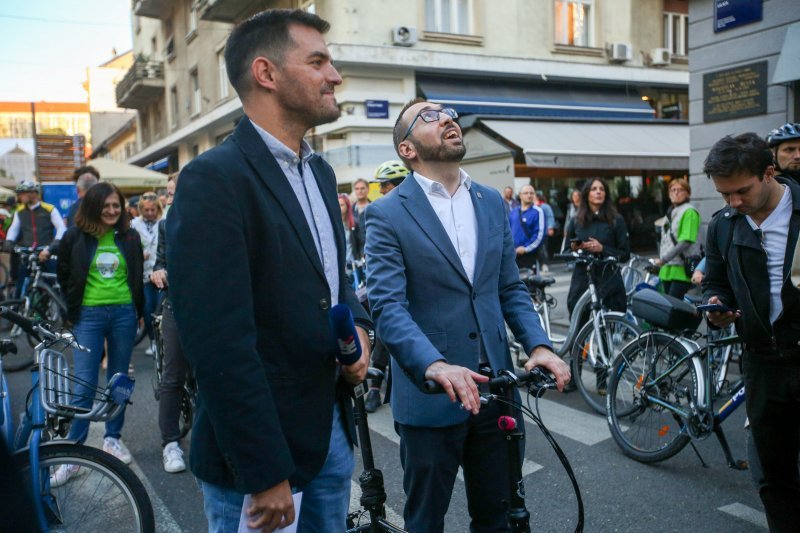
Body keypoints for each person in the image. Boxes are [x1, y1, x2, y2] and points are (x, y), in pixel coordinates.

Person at [166, 9, 371, 532]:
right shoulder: (213, 179)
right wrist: (263, 470)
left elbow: (334, 281)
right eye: (319, 61)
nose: (335, 75)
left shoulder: (320, 172)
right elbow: (217, 341)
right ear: (267, 73)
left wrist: (361, 335)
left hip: (328, 435)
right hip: (260, 459)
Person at [365, 98, 570, 531]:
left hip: (497, 389)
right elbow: (387, 306)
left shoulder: (491, 201)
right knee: (426, 521)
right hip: (431, 398)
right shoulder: (386, 213)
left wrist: (538, 345)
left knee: (499, 518)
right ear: (407, 149)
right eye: (429, 116)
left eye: (449, 114)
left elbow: (508, 287)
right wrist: (434, 364)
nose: (447, 119)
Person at [702, 132, 800, 533]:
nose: (733, 203)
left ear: (769, 172)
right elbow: (715, 283)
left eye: (741, 191)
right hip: (762, 362)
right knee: (773, 476)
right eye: (725, 195)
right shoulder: (724, 226)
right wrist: (714, 309)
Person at [51, 182, 144, 485]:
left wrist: (138, 311)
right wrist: (72, 309)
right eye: (106, 206)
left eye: (116, 206)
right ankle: (74, 453)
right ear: (93, 207)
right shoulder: (73, 237)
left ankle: (112, 438)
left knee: (119, 380)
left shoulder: (130, 237)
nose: (112, 211)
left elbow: (137, 276)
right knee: (84, 384)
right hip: (88, 316)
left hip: (123, 314)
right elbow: (63, 273)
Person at [150, 174, 188, 473]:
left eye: (175, 191)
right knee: (173, 375)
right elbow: (160, 261)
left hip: (211, 310)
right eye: (169, 192)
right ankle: (170, 443)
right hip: (176, 305)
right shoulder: (165, 225)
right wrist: (159, 272)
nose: (171, 197)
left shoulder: (213, 218)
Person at [564, 178, 630, 319]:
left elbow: (625, 255)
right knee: (578, 325)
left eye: (602, 189)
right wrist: (575, 249)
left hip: (609, 278)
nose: (598, 192)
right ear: (587, 194)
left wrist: (602, 249)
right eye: (594, 189)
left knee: (609, 328)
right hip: (583, 278)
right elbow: (565, 254)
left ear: (606, 194)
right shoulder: (576, 221)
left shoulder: (616, 220)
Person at [6, 180, 67, 297]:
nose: (20, 196)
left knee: (53, 286)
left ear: (34, 193)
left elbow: (61, 228)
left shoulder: (49, 209)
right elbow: (14, 228)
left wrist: (54, 245)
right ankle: (19, 309)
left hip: (46, 252)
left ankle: (56, 309)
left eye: (23, 193)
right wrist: (9, 241)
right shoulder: (19, 211)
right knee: (21, 283)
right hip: (28, 253)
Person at [653, 178, 701, 299]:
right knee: (669, 308)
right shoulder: (670, 212)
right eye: (673, 190)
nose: (676, 192)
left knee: (674, 308)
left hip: (682, 268)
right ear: (669, 194)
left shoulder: (689, 212)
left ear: (688, 193)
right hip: (668, 268)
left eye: (681, 190)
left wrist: (663, 259)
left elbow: (686, 241)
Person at [131, 193, 163, 355]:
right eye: (146, 210)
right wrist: (138, 253)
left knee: (159, 310)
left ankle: (161, 342)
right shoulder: (134, 225)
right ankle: (153, 341)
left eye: (153, 209)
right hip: (144, 274)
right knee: (147, 309)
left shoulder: (163, 223)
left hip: (160, 273)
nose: (150, 213)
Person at [508, 184, 545, 270]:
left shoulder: (538, 211)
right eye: (526, 193)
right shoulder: (513, 212)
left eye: (531, 193)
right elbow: (508, 232)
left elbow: (539, 234)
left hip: (529, 255)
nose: (529, 195)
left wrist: (526, 248)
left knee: (529, 282)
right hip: (513, 256)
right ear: (520, 195)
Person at [534, 192, 556, 273]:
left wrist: (550, 227)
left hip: (543, 232)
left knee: (543, 248)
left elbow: (550, 217)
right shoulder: (531, 207)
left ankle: (544, 264)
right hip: (534, 233)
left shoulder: (545, 206)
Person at [351, 178, 370, 259]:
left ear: (368, 189)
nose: (360, 191)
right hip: (354, 254)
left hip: (370, 251)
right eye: (357, 189)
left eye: (362, 188)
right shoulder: (349, 210)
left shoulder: (375, 208)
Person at [338, 193, 358, 264]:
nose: (339, 207)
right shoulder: (333, 224)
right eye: (337, 205)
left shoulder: (355, 223)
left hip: (353, 263)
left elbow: (360, 242)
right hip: (340, 264)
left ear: (347, 206)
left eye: (342, 205)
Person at [560, 188, 582, 252]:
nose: (575, 197)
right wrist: (565, 229)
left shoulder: (583, 206)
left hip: (578, 227)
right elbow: (567, 218)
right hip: (570, 227)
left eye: (576, 196)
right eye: (573, 196)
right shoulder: (570, 206)